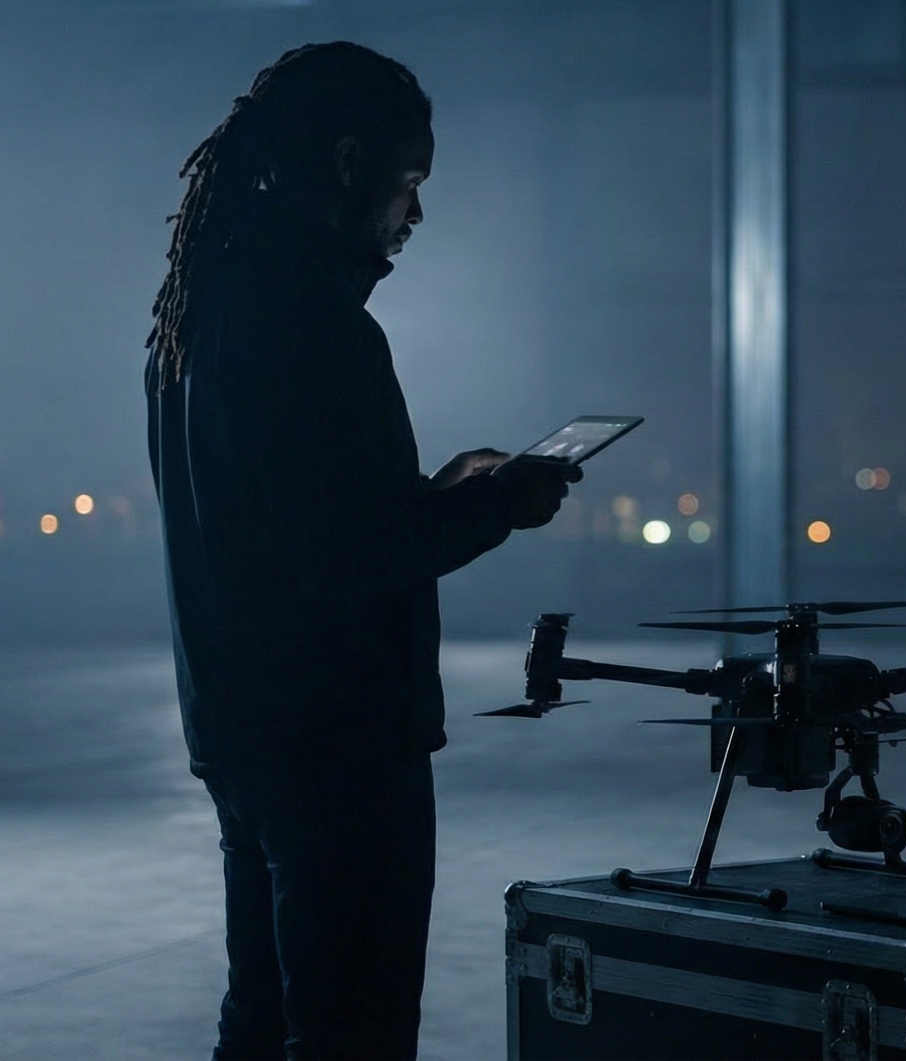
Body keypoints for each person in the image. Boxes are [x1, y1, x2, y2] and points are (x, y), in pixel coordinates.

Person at [143, 42, 578, 1060]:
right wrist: (500, 504)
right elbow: (342, 553)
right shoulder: (310, 322)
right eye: (410, 181)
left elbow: (277, 527)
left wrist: (434, 495)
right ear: (348, 161)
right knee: (354, 1034)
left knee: (260, 1019)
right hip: (336, 741)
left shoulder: (194, 314)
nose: (415, 214)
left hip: (242, 729)